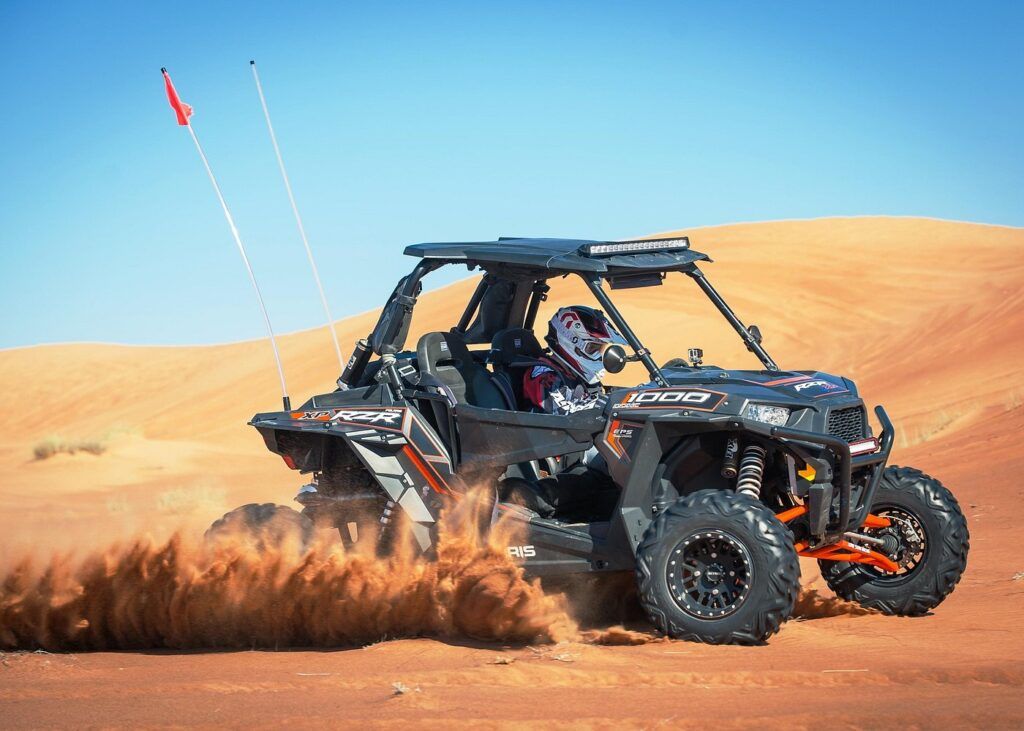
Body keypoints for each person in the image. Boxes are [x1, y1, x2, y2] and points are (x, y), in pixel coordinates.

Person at [523, 305, 628, 415]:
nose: (598, 356)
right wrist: (608, 403)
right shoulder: (543, 374)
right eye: (592, 348)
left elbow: (599, 395)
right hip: (542, 431)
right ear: (570, 342)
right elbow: (566, 413)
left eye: (600, 349)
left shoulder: (576, 373)